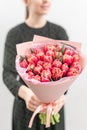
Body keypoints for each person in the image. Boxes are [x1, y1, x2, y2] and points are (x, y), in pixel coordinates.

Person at [2, 0, 69, 130]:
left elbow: (67, 72)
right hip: (26, 107)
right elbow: (7, 73)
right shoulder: (14, 34)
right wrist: (26, 94)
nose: (46, 1)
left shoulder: (59, 32)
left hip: (53, 107)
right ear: (26, 1)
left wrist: (61, 96)